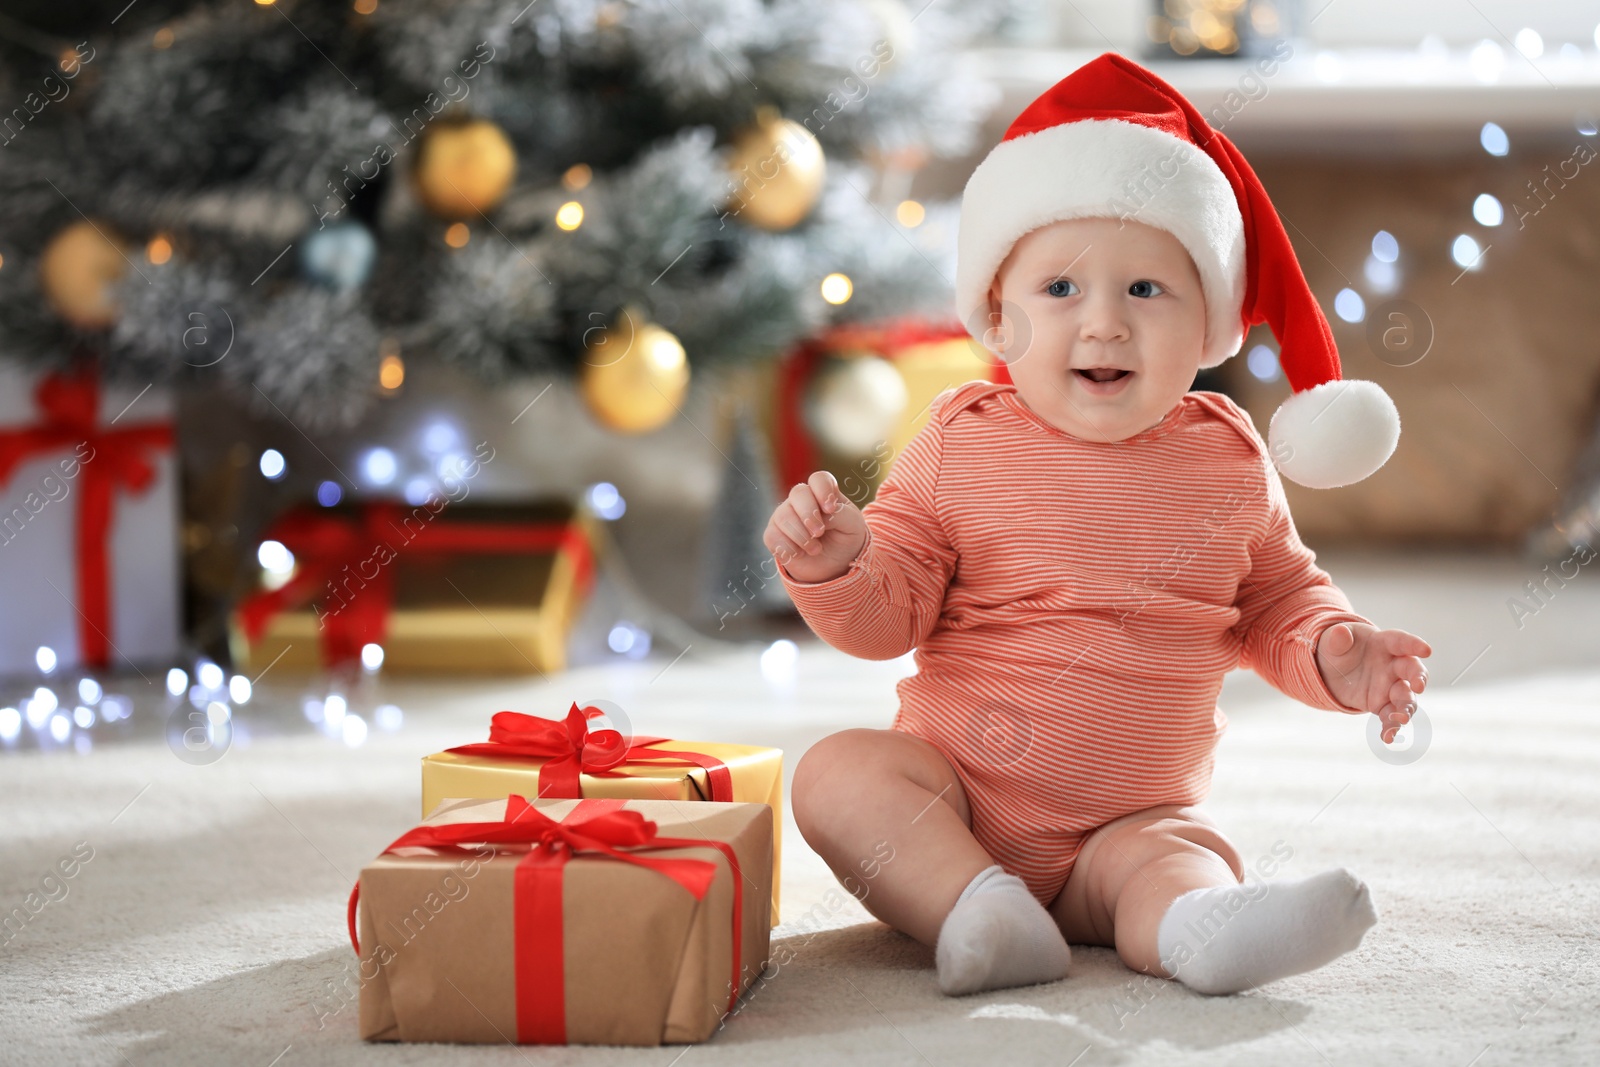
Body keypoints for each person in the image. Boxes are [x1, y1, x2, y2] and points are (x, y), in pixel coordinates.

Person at [764, 52, 1431, 998]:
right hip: (956, 799)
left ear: (1209, 324)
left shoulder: (1226, 456)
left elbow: (1277, 598)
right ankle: (978, 907)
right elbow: (890, 618)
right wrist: (840, 567)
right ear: (998, 316)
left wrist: (1333, 650)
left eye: (1148, 291)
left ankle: (1202, 928)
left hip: (1129, 824)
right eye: (1062, 290)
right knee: (836, 774)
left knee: (1177, 857)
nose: (1105, 325)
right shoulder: (961, 440)